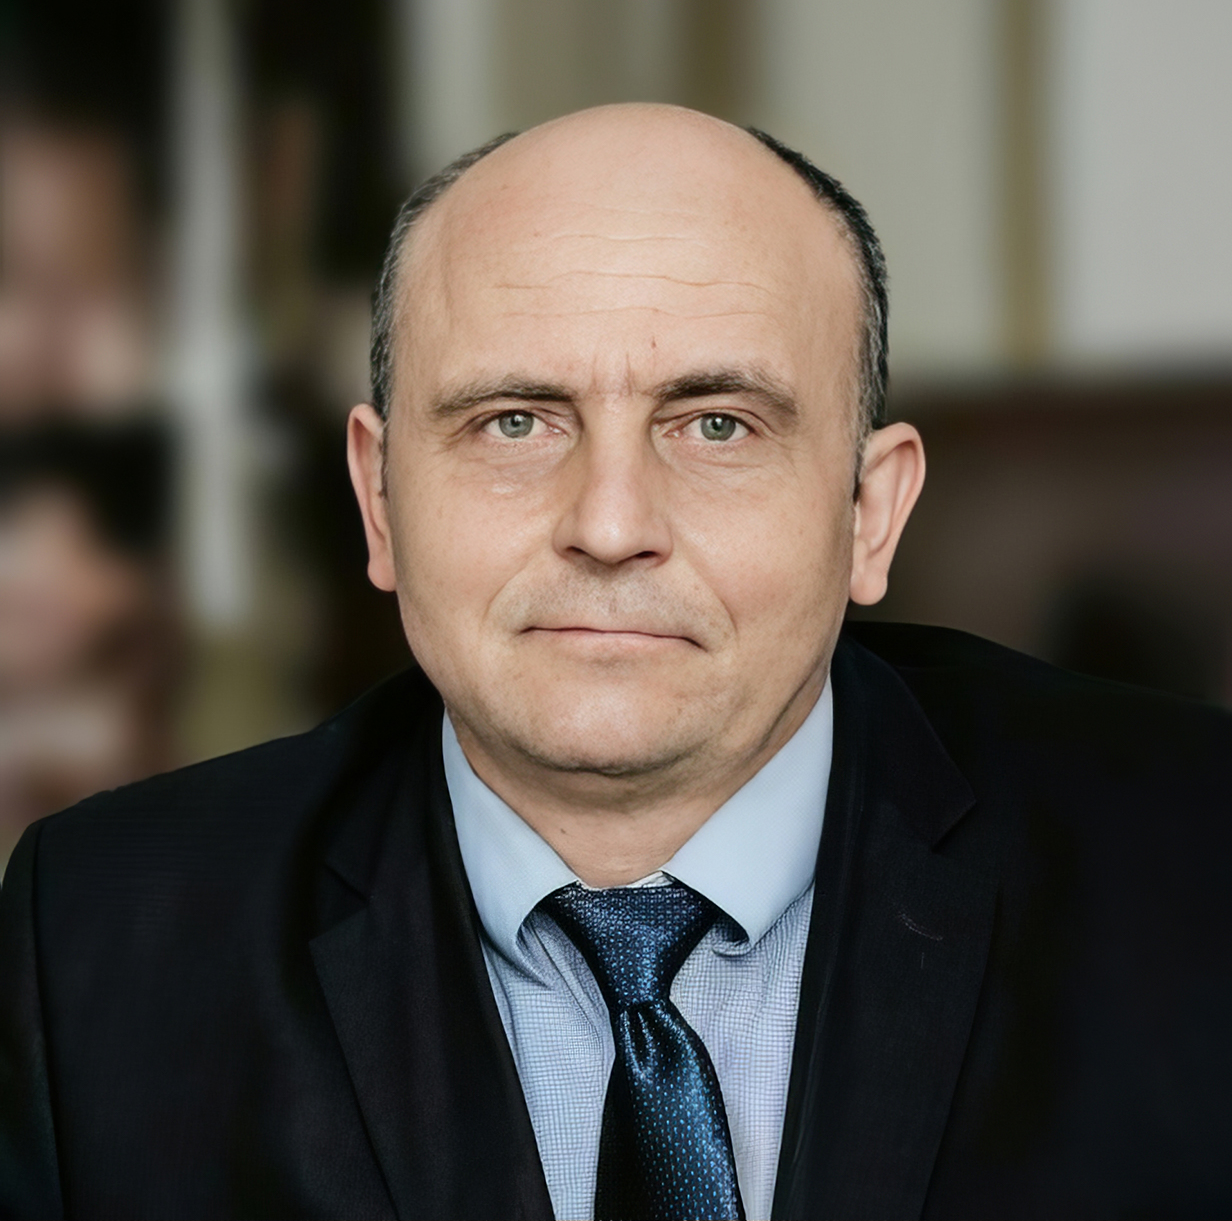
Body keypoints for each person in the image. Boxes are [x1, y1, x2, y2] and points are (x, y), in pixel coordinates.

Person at [1, 104, 1229, 1221]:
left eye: (715, 425)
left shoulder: (1195, 871)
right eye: (514, 421)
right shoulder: (100, 938)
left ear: (869, 513)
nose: (608, 522)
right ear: (378, 498)